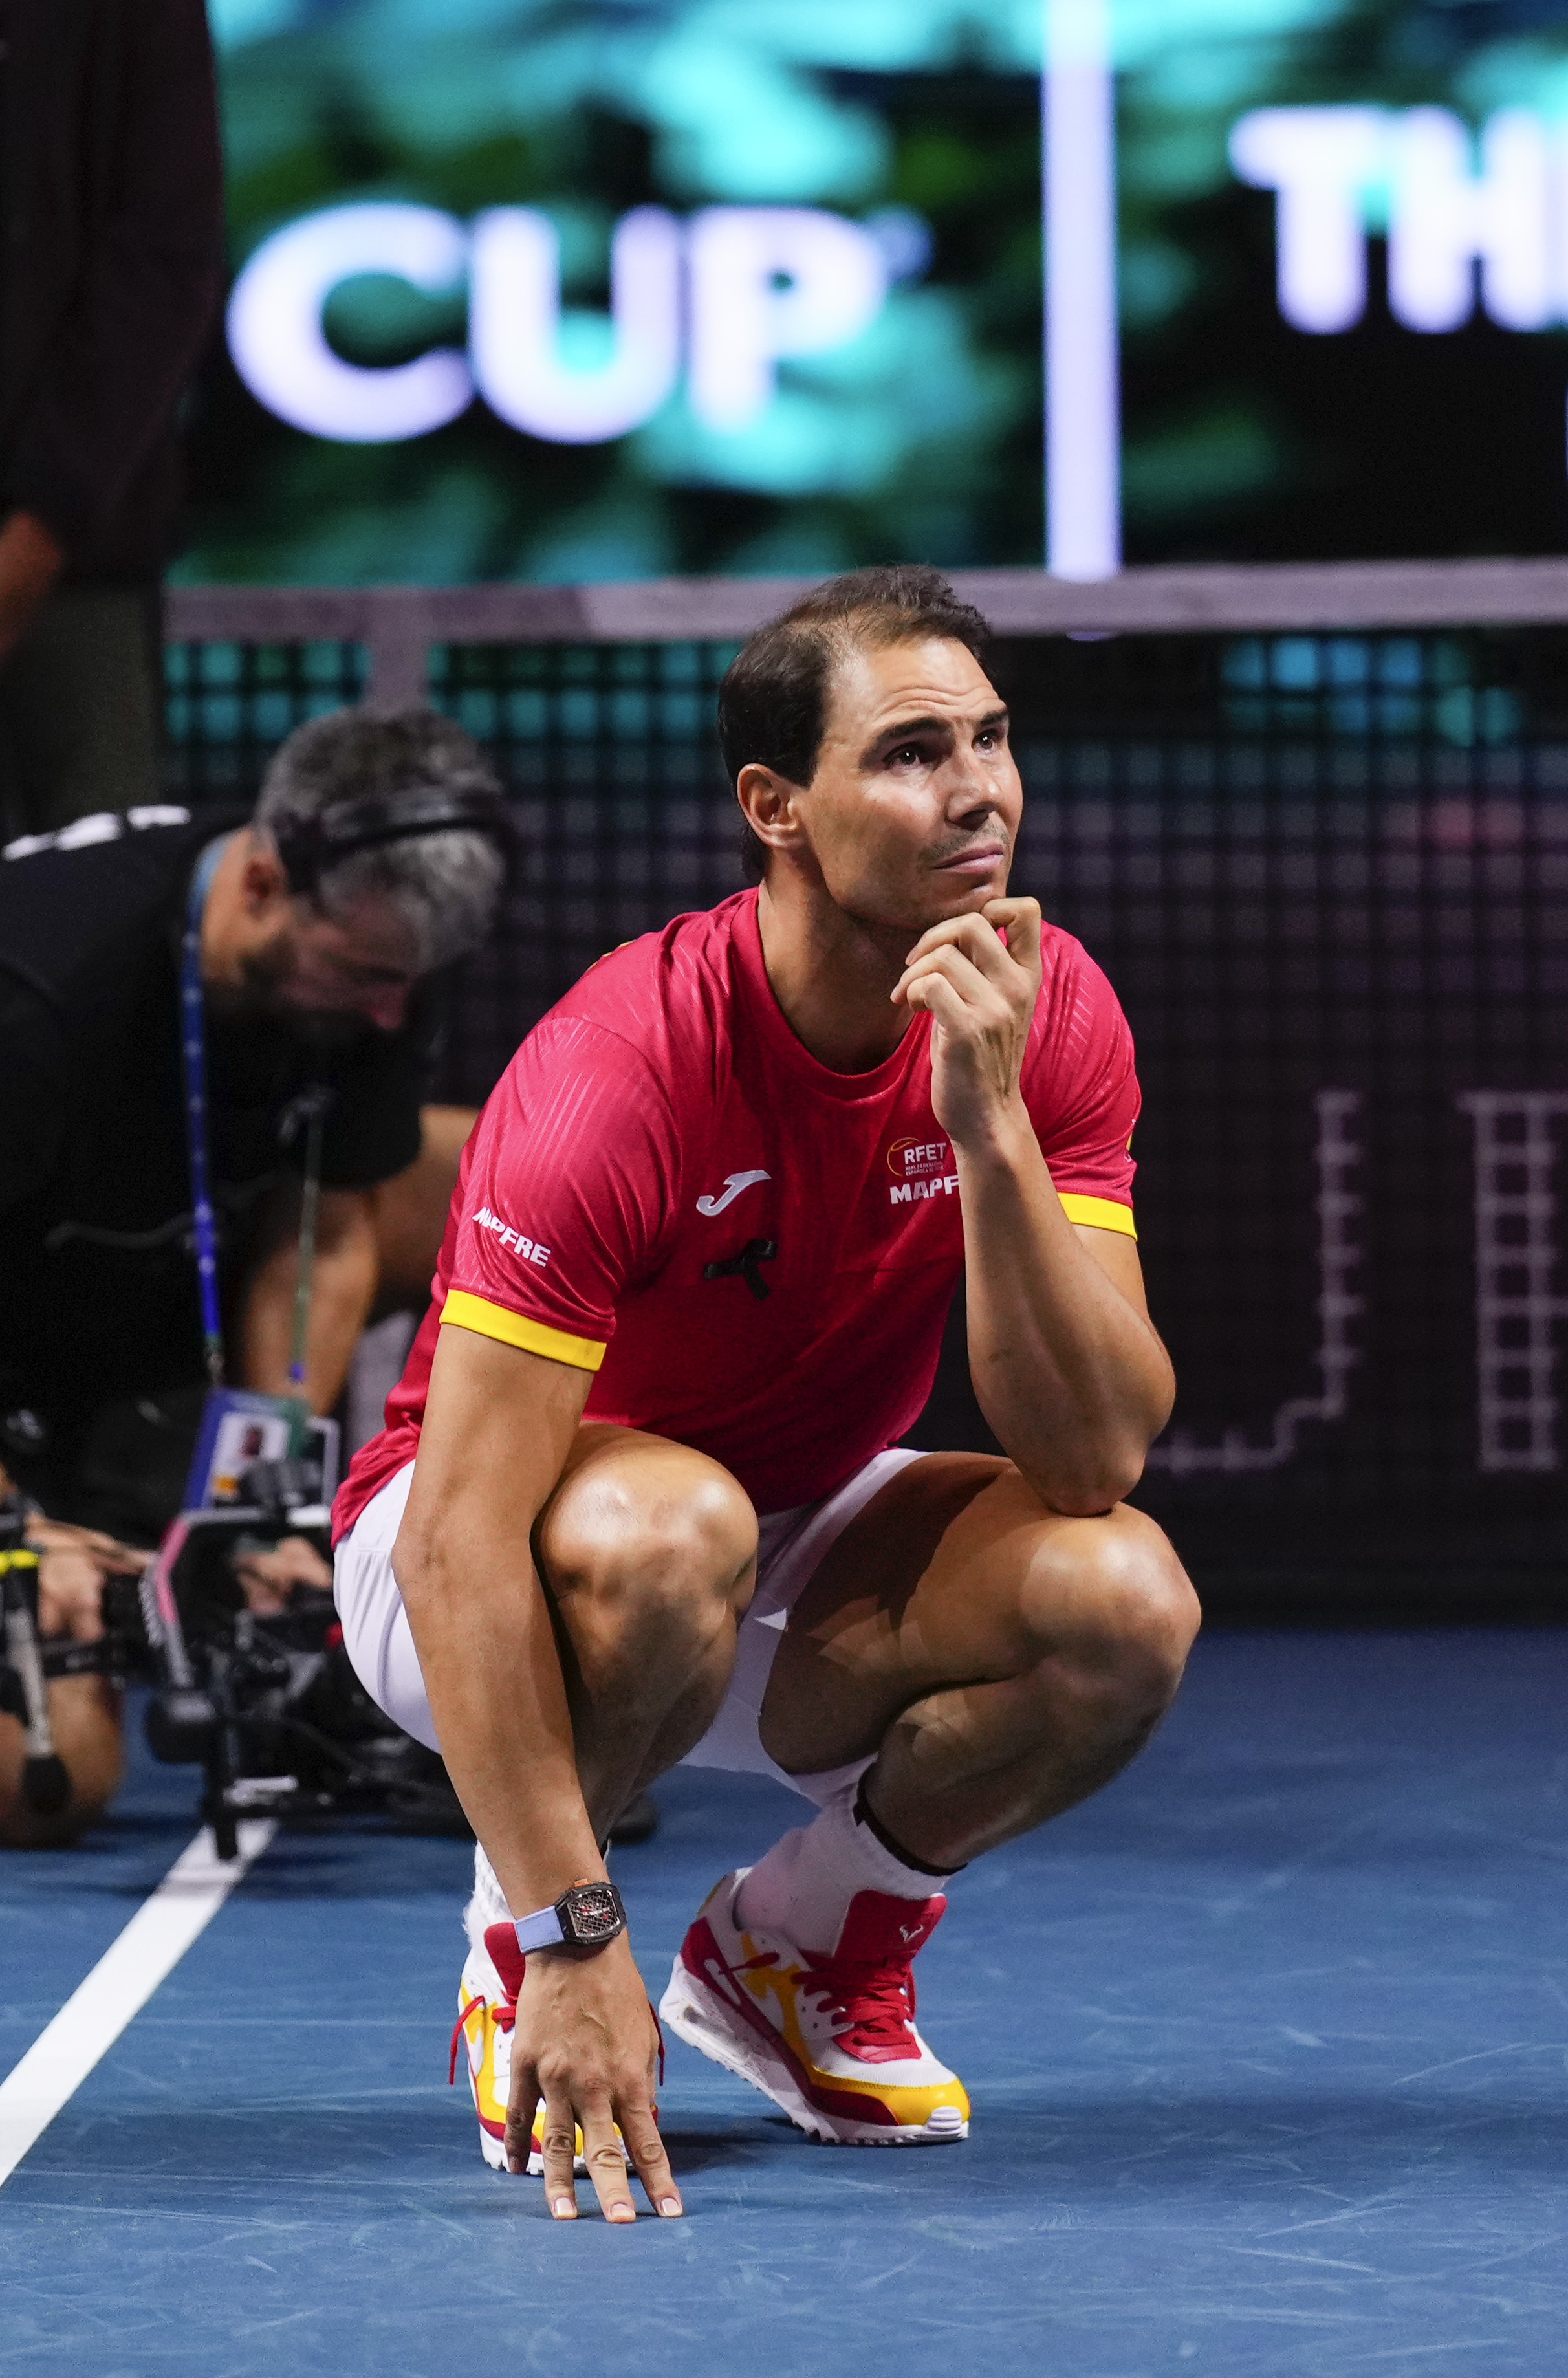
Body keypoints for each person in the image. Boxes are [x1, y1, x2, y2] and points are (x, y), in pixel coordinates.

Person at [327, 565, 1196, 2225]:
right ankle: (521, 1932)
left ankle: (794, 1954)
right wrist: (566, 1930)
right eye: (914, 750)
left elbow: (1092, 1451)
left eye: (995, 738)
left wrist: (989, 1130)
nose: (979, 788)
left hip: (781, 1531)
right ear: (774, 806)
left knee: (1122, 1597)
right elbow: (454, 1536)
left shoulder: (1043, 1006)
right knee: (669, 1525)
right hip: (463, 1550)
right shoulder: (624, 1065)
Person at [0, 707, 510, 1846]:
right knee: (47, 1784)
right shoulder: (35, 991)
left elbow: (329, 1231)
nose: (391, 1010)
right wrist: (14, 1526)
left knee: (517, 1184)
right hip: (24, 1351)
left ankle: (461, 1565)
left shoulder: (375, 952)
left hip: (164, 1277)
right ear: (265, 885)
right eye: (365, 974)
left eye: (409, 982)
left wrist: (257, 1494)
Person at [0, 0, 229, 840]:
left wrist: (40, 528)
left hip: (73, 565)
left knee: (81, 912)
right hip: (70, 545)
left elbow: (164, 261)